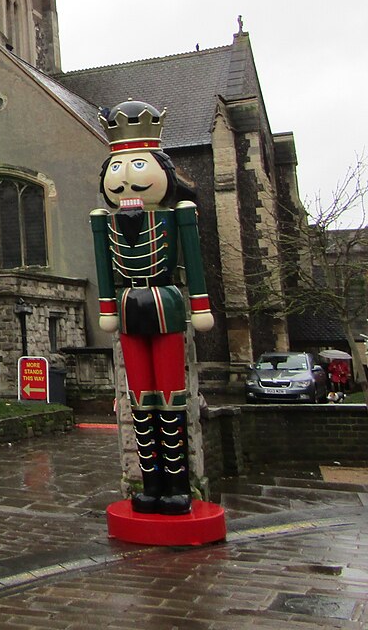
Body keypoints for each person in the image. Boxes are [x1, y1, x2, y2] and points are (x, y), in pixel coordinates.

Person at [90, 100, 214, 515]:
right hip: (128, 309)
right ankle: (151, 482)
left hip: (166, 305)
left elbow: (193, 262)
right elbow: (107, 269)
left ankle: (178, 484)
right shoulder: (104, 222)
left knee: (171, 397)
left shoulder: (176, 215)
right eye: (118, 172)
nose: (126, 181)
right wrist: (107, 306)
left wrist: (200, 304)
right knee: (140, 399)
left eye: (138, 168)